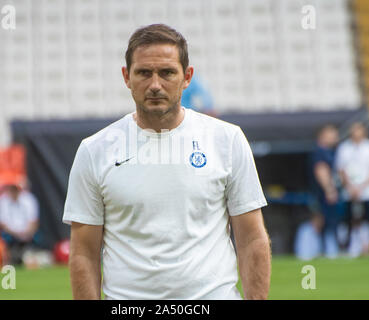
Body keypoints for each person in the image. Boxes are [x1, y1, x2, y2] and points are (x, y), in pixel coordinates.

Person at [63, 24, 270, 300]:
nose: (155, 85)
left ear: (187, 77)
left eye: (167, 73)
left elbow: (252, 239)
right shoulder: (94, 151)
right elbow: (83, 253)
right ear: (127, 77)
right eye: (144, 73)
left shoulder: (227, 139)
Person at [335, 122, 369, 259]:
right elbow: (341, 170)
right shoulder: (344, 148)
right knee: (347, 220)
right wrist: (351, 187)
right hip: (350, 191)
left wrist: (362, 186)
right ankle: (346, 248)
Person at [310, 125, 340, 258]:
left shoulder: (330, 151)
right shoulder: (320, 152)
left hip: (324, 192)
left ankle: (326, 249)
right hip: (322, 193)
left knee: (326, 220)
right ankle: (326, 249)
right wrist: (329, 189)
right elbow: (321, 170)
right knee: (324, 220)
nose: (335, 137)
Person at [0, 183, 39, 265]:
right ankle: (8, 260)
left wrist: (27, 232)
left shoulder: (29, 199)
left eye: (15, 189)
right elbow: (3, 224)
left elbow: (33, 221)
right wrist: (16, 234)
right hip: (10, 233)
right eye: (11, 190)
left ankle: (29, 259)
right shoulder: (2, 201)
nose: (13, 192)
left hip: (27, 233)